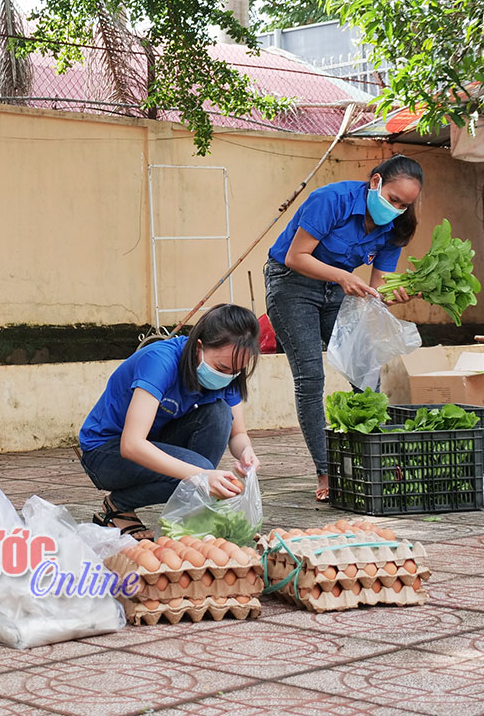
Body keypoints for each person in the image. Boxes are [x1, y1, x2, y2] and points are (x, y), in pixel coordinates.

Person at [264, 154, 423, 501]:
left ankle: (378, 458)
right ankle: (326, 471)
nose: (396, 209)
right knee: (310, 377)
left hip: (339, 289)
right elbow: (296, 256)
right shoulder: (331, 200)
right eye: (394, 199)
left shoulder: (395, 227)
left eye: (404, 205)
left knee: (365, 371)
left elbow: (378, 288)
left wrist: (396, 294)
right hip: (292, 284)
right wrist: (343, 276)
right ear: (376, 181)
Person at [78, 305, 263, 540]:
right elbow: (132, 444)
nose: (227, 376)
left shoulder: (229, 374)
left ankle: (193, 509)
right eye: (221, 368)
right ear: (199, 347)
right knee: (199, 468)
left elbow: (237, 435)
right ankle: (118, 506)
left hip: (155, 441)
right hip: (105, 453)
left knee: (219, 413)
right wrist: (202, 475)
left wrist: (246, 453)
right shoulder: (160, 361)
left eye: (235, 371)